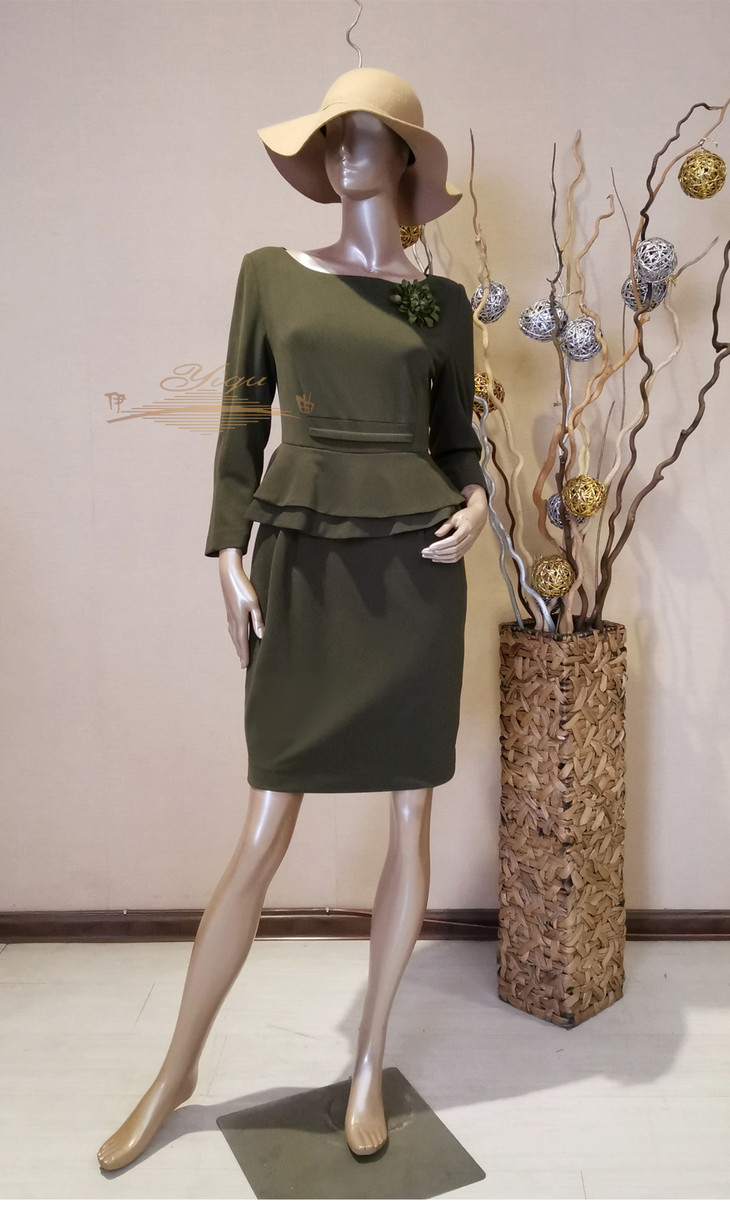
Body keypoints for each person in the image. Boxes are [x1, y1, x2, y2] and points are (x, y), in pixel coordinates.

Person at [97, 65, 487, 1172]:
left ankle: (368, 1064)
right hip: (302, 561)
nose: (344, 148)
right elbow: (242, 422)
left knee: (410, 818)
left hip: (415, 574)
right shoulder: (268, 274)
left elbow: (456, 442)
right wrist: (228, 551)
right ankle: (175, 1071)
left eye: (366, 133)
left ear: (404, 159)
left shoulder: (442, 305)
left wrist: (479, 501)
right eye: (332, 133)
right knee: (265, 825)